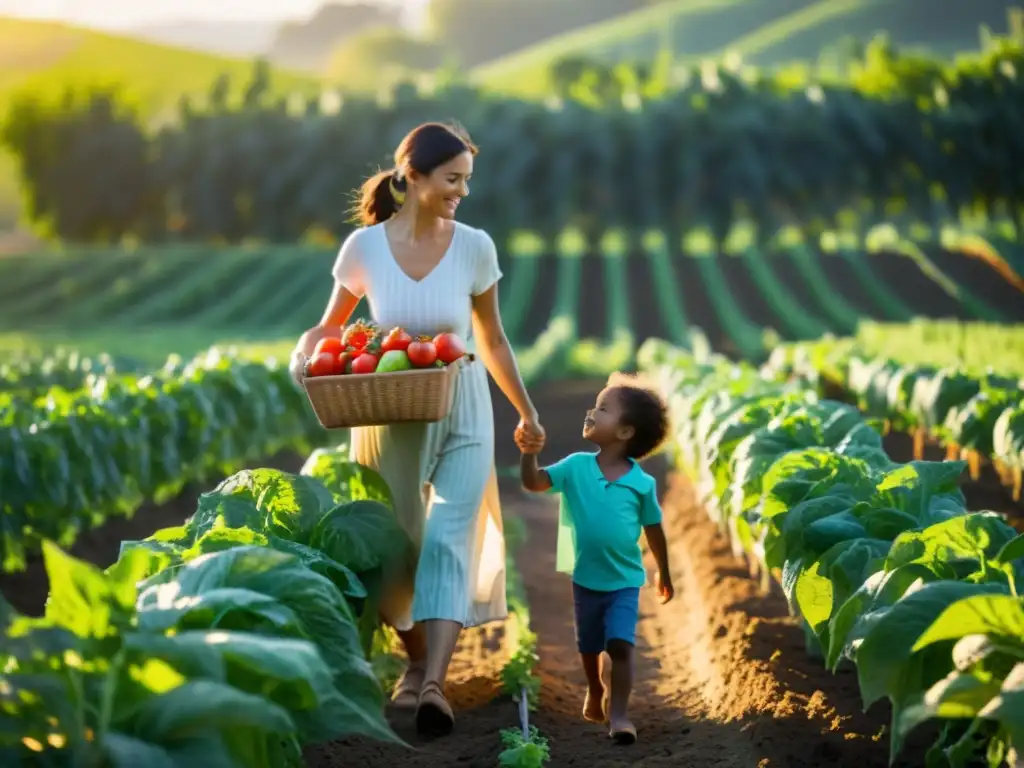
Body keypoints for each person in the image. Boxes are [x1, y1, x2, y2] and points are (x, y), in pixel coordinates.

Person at [290, 121, 546, 737]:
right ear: (414, 177)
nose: (462, 191)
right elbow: (329, 329)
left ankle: (434, 683)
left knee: (448, 538)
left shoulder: (475, 246)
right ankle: (415, 664)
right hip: (388, 413)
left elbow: (491, 336)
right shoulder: (364, 249)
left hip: (461, 403)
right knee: (396, 547)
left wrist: (526, 410)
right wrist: (303, 353)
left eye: (466, 180)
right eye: (452, 179)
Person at [517, 374, 673, 746]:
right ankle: (594, 688)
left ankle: (619, 715)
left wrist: (663, 571)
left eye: (603, 409)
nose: (592, 413)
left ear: (624, 432)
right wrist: (528, 452)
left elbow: (654, 530)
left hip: (625, 581)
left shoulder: (642, 484)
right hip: (586, 578)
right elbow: (534, 483)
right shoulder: (575, 466)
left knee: (620, 644)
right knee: (589, 646)